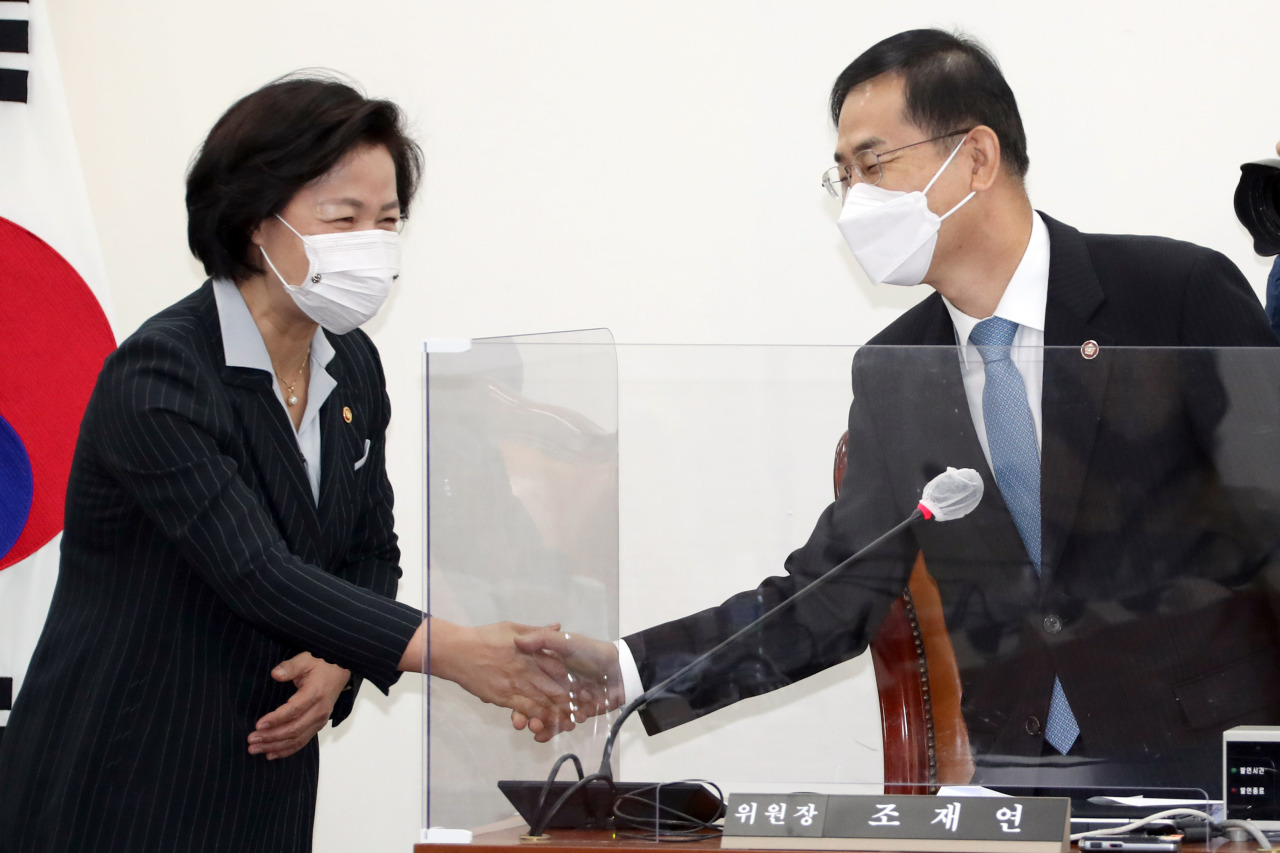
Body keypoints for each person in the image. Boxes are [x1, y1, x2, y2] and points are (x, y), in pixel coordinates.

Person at [517, 29, 1280, 794]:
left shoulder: (1174, 295)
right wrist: (625, 670)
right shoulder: (894, 370)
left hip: (1210, 780)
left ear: (976, 159)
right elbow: (835, 593)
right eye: (843, 176)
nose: (855, 201)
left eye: (875, 165)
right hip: (1019, 788)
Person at [0, 74, 575, 853]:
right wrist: (461, 653)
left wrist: (341, 659)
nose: (371, 244)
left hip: (263, 777)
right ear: (252, 223)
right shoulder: (162, 374)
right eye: (343, 219)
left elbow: (371, 551)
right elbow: (256, 570)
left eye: (388, 221)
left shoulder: (353, 365)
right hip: (121, 771)